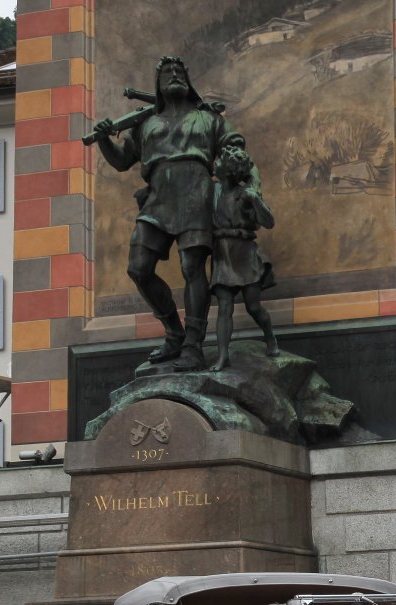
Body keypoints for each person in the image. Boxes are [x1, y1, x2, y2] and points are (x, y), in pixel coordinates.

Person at [91, 56, 253, 371]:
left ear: (188, 81)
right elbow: (122, 160)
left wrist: (243, 178)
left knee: (192, 266)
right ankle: (174, 332)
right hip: (157, 199)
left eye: (180, 71)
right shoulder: (144, 123)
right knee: (139, 268)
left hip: (197, 194)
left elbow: (235, 146)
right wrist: (103, 140)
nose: (175, 75)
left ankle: (193, 344)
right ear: (159, 83)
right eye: (168, 72)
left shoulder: (208, 118)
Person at [210, 145, 279, 371]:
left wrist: (256, 200)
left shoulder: (246, 194)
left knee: (253, 307)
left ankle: (270, 337)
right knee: (224, 307)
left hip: (245, 254)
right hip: (223, 255)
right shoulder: (213, 191)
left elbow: (269, 222)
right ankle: (223, 356)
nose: (216, 165)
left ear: (229, 171)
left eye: (221, 163)